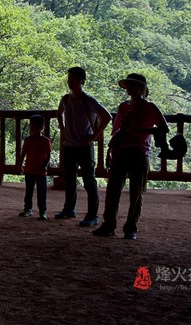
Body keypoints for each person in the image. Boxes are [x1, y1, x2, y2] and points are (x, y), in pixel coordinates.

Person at [92, 73, 169, 240]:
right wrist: (110, 151)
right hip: (120, 151)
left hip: (139, 153)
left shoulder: (150, 107)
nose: (129, 88)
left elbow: (164, 128)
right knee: (113, 190)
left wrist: (140, 131)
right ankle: (109, 224)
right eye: (128, 85)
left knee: (136, 192)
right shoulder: (123, 107)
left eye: (132, 85)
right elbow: (116, 131)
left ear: (141, 88)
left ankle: (131, 227)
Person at [54, 66, 113, 226]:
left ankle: (92, 215)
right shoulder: (66, 99)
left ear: (82, 81)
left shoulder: (88, 100)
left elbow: (107, 116)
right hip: (69, 145)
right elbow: (59, 113)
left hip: (84, 146)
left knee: (88, 181)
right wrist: (63, 129)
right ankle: (69, 209)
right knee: (70, 179)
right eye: (69, 79)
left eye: (73, 79)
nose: (70, 82)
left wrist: (94, 136)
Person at [18, 114, 53, 220]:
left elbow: (48, 155)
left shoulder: (46, 141)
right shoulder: (28, 140)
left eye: (33, 125)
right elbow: (23, 153)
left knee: (41, 192)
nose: (31, 127)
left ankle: (43, 211)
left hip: (41, 171)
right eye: (31, 125)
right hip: (29, 169)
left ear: (41, 127)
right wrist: (20, 165)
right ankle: (27, 209)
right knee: (29, 191)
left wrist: (45, 165)